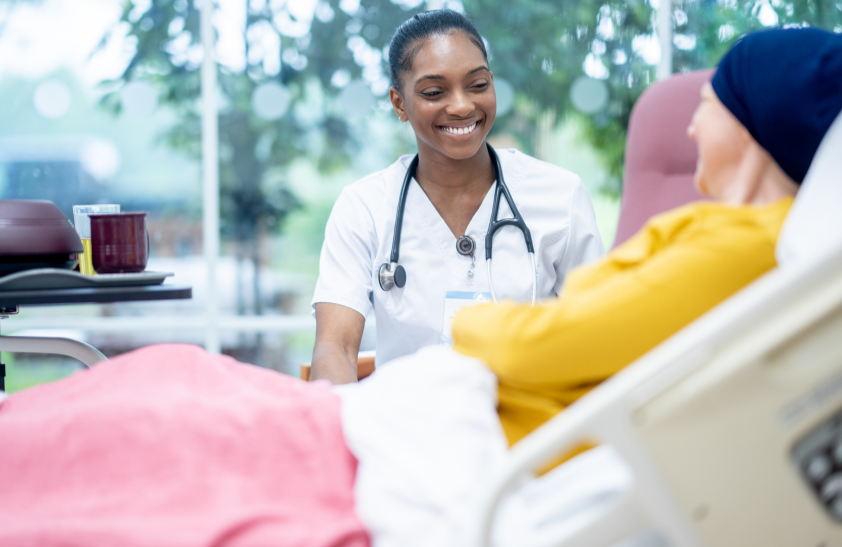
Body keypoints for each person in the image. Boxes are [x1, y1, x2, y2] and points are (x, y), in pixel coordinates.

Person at [452, 26, 842, 446]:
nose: (691, 129)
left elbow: (534, 348)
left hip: (511, 438)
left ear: (746, 123)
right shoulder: (749, 234)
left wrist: (464, 320)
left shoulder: (746, 246)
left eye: (706, 104)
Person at [311, 10, 605, 384]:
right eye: (434, 92)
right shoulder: (364, 207)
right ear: (399, 103)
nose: (462, 105)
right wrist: (340, 414)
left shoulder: (559, 196)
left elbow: (596, 337)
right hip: (407, 417)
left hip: (529, 418)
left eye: (477, 84)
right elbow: (335, 348)